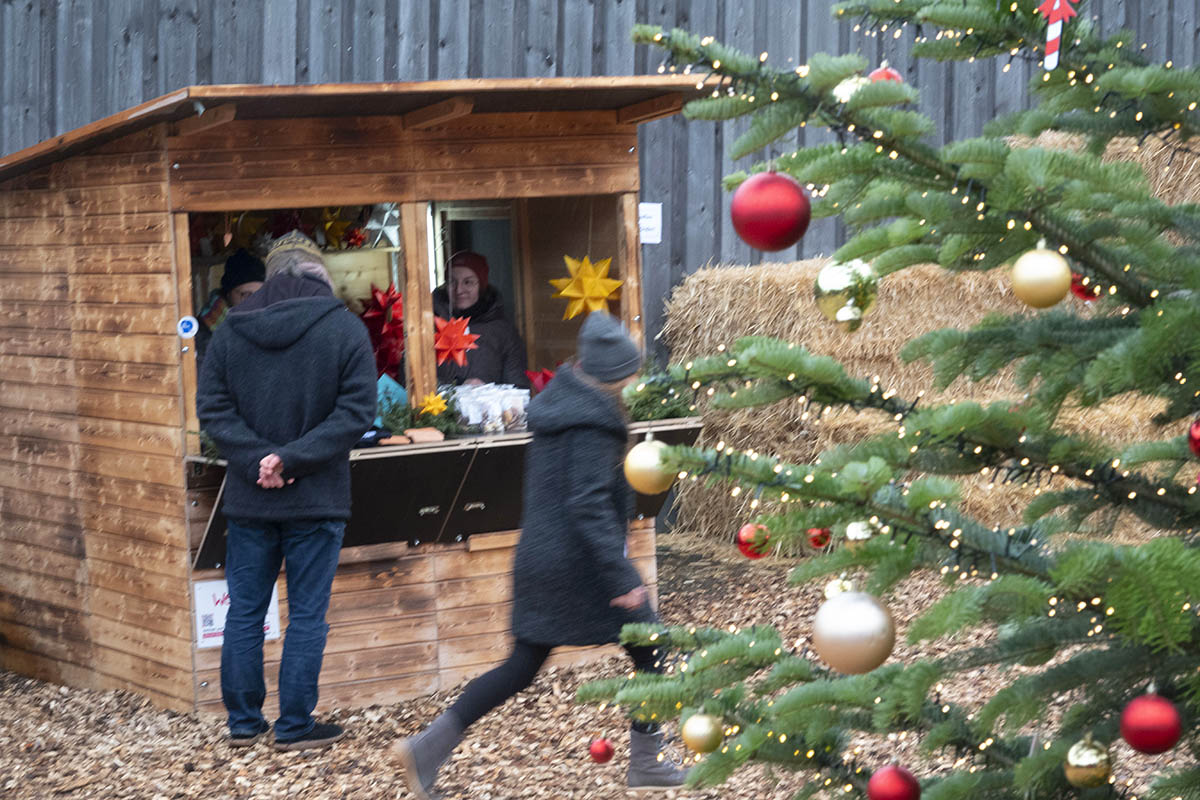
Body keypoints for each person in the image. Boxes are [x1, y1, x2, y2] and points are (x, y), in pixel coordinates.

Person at [392, 311, 687, 797]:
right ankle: (648, 763)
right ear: (614, 377)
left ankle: (427, 749)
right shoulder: (596, 422)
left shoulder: (558, 407)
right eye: (628, 374)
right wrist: (623, 579)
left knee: (523, 663)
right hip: (581, 566)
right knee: (650, 643)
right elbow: (588, 504)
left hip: (542, 559)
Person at [196, 231, 377, 752]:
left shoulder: (232, 330)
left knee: (246, 611)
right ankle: (295, 726)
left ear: (272, 276)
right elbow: (356, 414)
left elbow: (213, 412)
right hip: (316, 495)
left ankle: (244, 724)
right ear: (320, 273)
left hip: (251, 497)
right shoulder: (344, 328)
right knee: (306, 616)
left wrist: (259, 460)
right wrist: (291, 459)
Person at [432, 250, 529, 387]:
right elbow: (412, 379)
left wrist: (487, 393)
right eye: (452, 282)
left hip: (489, 407)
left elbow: (517, 386)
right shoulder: (429, 325)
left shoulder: (503, 331)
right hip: (437, 407)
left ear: (481, 284)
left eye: (468, 282)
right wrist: (457, 388)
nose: (459, 290)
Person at [195, 248, 266, 368]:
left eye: (260, 294)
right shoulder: (204, 331)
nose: (255, 301)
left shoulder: (267, 321)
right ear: (228, 294)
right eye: (246, 294)